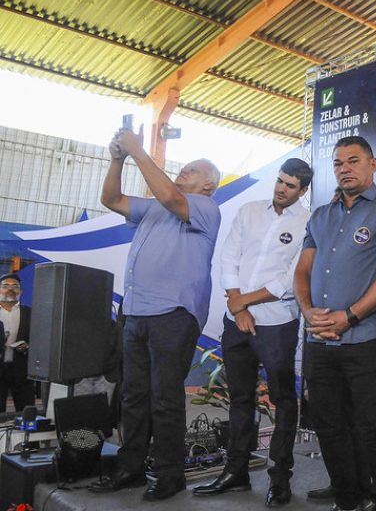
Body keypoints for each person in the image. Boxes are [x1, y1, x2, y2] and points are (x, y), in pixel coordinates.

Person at [90, 127, 221, 501]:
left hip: (173, 314)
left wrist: (137, 150)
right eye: (185, 168)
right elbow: (111, 197)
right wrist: (117, 158)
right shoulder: (156, 208)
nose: (184, 172)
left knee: (164, 398)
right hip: (136, 312)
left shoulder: (204, 208)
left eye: (193, 171)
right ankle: (130, 469)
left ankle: (169, 474)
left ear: (209, 185)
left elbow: (168, 193)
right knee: (133, 397)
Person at [294, 136, 376, 511]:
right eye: (339, 163)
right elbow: (303, 269)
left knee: (371, 427)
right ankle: (348, 499)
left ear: (373, 165)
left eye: (354, 161)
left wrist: (350, 315)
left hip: (368, 338)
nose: (345, 169)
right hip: (320, 339)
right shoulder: (320, 216)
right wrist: (308, 310)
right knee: (328, 424)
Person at [192, 158, 312, 506]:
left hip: (277, 323)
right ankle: (236, 472)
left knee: (283, 401)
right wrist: (238, 305)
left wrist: (245, 301)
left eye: (290, 186)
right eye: (279, 181)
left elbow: (289, 279)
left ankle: (280, 478)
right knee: (240, 399)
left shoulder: (308, 222)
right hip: (237, 323)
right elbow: (228, 257)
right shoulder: (249, 211)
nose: (281, 189)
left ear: (302, 191)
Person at [0, 273, 35, 412]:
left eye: (15, 286)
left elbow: (39, 337)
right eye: (5, 286)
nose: (10, 289)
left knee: (26, 412)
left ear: (21, 292)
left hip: (22, 368)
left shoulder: (30, 313)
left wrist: (29, 346)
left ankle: (27, 433)